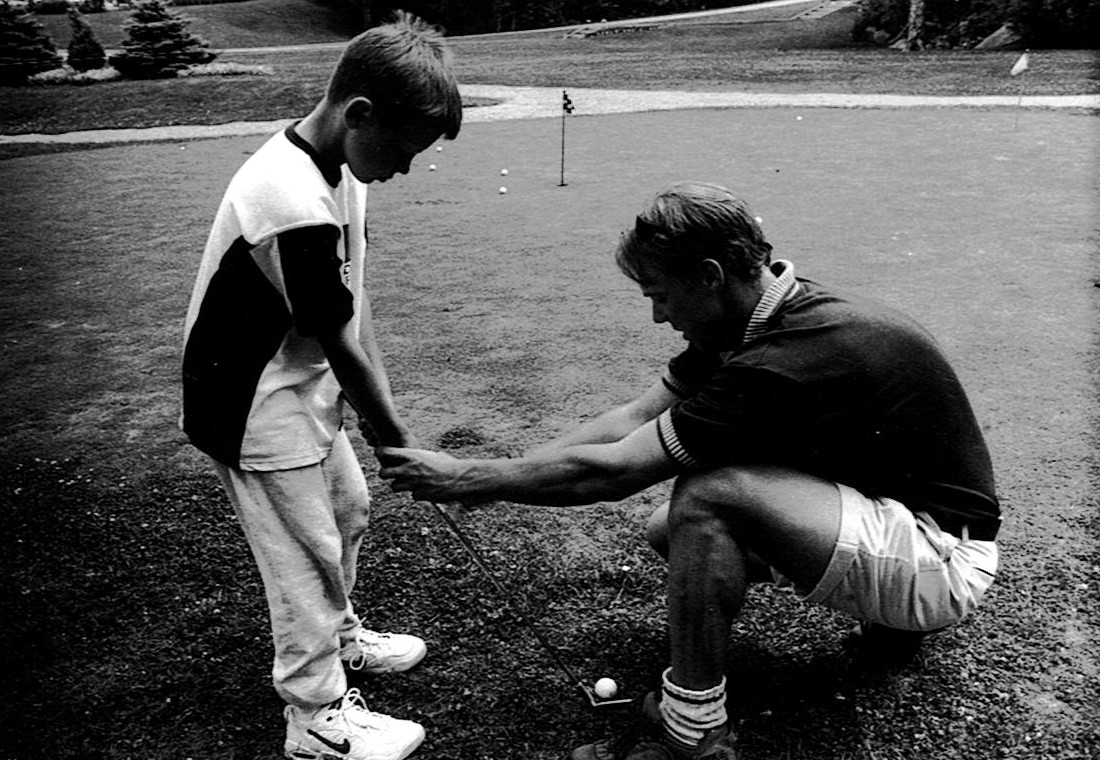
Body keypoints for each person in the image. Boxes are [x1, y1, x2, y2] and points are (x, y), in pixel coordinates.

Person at [377, 181, 1001, 760]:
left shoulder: (787, 356)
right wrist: (495, 476)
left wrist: (463, 479)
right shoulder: (768, 313)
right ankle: (889, 627)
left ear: (708, 276)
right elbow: (631, 419)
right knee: (668, 528)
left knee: (705, 497)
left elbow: (613, 473)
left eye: (660, 295)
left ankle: (694, 735)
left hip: (942, 563)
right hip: (916, 524)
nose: (657, 317)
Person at [179, 12, 462, 760]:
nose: (403, 167)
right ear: (358, 113)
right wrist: (401, 441)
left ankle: (341, 640)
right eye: (401, 150)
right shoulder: (290, 196)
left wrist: (382, 419)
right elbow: (336, 337)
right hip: (250, 404)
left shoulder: (340, 168)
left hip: (297, 385)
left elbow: (352, 306)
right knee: (303, 556)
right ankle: (315, 720)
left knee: (347, 506)